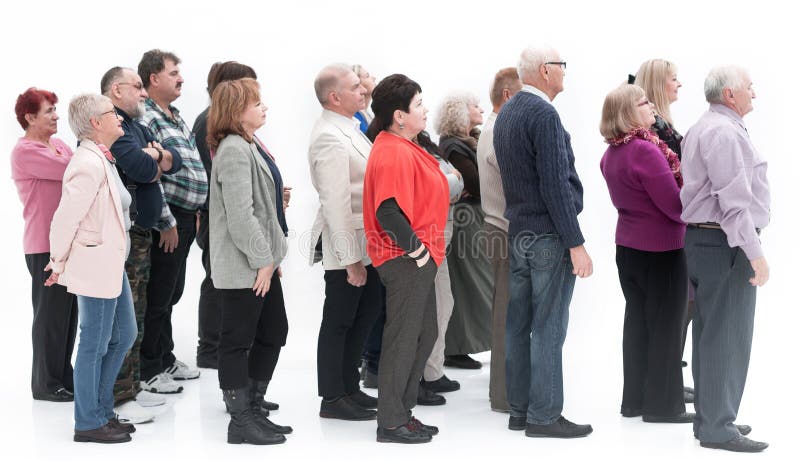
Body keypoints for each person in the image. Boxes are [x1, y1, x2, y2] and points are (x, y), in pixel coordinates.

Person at [494, 46, 593, 438]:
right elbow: (555, 185)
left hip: (519, 232)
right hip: (548, 236)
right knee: (548, 327)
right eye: (561, 65)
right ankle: (545, 416)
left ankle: (520, 411)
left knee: (518, 326)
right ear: (545, 70)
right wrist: (576, 242)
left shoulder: (508, 113)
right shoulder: (544, 114)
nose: (565, 72)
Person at [680, 66, 770, 453]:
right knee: (727, 336)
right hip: (725, 244)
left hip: (705, 241)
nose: (755, 92)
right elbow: (734, 204)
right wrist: (756, 254)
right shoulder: (724, 132)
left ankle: (710, 418)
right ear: (730, 94)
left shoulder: (704, 126)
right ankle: (718, 426)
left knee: (710, 333)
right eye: (749, 87)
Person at [363, 74, 449, 444]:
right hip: (405, 259)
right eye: (418, 104)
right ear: (399, 115)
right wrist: (418, 252)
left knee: (424, 333)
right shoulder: (393, 150)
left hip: (417, 258)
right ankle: (391, 422)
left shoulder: (402, 145)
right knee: (403, 338)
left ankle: (402, 412)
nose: (425, 109)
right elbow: (388, 211)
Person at [599, 83, 692, 424]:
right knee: (666, 326)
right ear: (628, 112)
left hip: (628, 249)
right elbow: (675, 207)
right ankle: (663, 407)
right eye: (643, 102)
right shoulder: (646, 151)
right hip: (661, 249)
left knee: (637, 324)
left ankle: (635, 401)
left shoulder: (611, 154)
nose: (651, 106)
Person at [47, 93, 137, 443]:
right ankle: (88, 422)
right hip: (96, 264)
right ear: (96, 123)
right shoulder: (86, 163)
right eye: (112, 113)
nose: (119, 117)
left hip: (112, 262)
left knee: (124, 334)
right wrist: (57, 262)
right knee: (94, 343)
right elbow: (65, 218)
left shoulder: (102, 157)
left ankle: (102, 410)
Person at [208, 78, 292, 445]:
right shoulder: (233, 150)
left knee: (273, 331)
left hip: (261, 263)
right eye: (256, 104)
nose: (264, 108)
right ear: (236, 112)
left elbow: (261, 206)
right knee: (237, 341)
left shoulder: (248, 144)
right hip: (245, 265)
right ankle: (240, 420)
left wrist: (270, 258)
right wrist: (263, 260)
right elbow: (241, 217)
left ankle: (253, 408)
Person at [101, 66, 182, 416]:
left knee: (137, 315)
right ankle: (119, 396)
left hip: (140, 235)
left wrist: (157, 155)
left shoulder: (136, 125)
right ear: (116, 90)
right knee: (123, 319)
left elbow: (174, 161)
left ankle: (132, 386)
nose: (144, 93)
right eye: (137, 87)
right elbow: (140, 167)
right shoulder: (110, 125)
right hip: (123, 235)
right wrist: (153, 158)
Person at [308, 64, 382, 421]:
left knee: (362, 317)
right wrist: (350, 259)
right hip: (347, 245)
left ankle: (350, 387)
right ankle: (333, 396)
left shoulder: (349, 126)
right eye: (355, 87)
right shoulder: (329, 135)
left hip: (366, 243)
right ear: (335, 97)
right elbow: (335, 203)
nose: (363, 90)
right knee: (339, 321)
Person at [137, 49, 207, 392]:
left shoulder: (175, 115)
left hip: (187, 216)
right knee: (159, 294)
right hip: (170, 220)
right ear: (154, 78)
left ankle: (165, 357)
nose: (181, 78)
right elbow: (153, 176)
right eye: (173, 73)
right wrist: (167, 222)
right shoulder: (147, 116)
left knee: (172, 292)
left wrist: (195, 210)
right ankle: (149, 368)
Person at [632, 59, 694, 404]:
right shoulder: (655, 130)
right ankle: (662, 383)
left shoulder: (659, 126)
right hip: (664, 233)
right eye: (674, 78)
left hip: (661, 231)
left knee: (673, 312)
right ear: (658, 83)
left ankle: (666, 379)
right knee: (672, 312)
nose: (679, 84)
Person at [11, 87, 78, 403]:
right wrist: (70, 162)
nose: (56, 116)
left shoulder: (59, 145)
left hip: (66, 244)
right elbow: (72, 170)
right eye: (49, 111)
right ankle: (46, 384)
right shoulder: (24, 152)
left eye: (55, 109)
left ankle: (63, 376)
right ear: (30, 117)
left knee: (68, 315)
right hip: (44, 246)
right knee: (50, 316)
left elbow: (75, 168)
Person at [193, 61, 258, 371]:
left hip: (223, 214)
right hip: (216, 216)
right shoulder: (209, 122)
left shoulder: (227, 126)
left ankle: (220, 346)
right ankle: (210, 348)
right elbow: (215, 177)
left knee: (222, 279)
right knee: (216, 279)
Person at [475, 67, 522, 412]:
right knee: (506, 314)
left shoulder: (495, 128)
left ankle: (506, 392)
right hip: (502, 230)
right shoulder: (496, 132)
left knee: (507, 312)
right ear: (507, 95)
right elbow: (515, 182)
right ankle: (505, 395)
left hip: (500, 228)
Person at [435, 91, 492, 371]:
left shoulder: (472, 140)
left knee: (472, 283)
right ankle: (455, 348)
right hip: (465, 220)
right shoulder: (453, 146)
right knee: (471, 284)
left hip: (476, 216)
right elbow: (477, 183)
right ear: (459, 113)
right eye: (474, 105)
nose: (481, 108)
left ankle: (460, 346)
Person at [416, 130, 462, 400]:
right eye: (418, 108)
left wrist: (450, 182)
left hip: (440, 236)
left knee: (444, 304)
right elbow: (435, 186)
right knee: (433, 308)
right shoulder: (406, 148)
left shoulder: (424, 145)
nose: (424, 111)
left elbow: (455, 182)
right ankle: (424, 376)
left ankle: (433, 372)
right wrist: (451, 181)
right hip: (427, 238)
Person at [352, 64, 377, 133]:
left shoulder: (368, 114)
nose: (374, 78)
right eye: (367, 76)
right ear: (357, 84)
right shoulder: (355, 117)